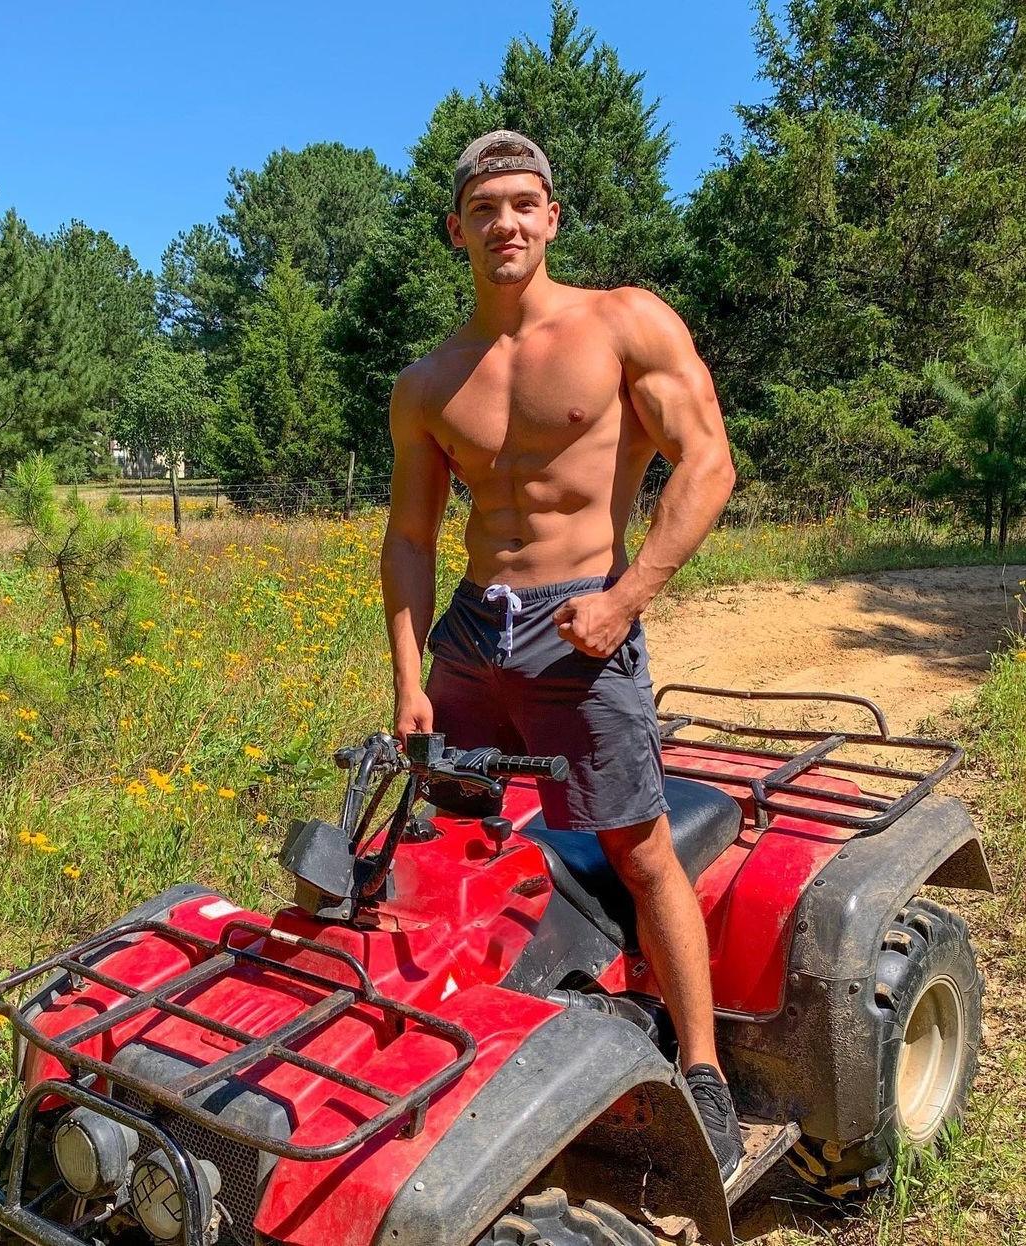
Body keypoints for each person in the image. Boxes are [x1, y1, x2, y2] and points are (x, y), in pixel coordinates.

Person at [380, 130, 742, 1179]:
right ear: (458, 228)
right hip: (468, 637)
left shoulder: (621, 323)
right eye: (485, 206)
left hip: (583, 622)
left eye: (525, 203)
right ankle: (466, 1033)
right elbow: (408, 537)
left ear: (552, 218)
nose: (506, 221)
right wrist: (410, 677)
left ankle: (705, 1070)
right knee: (443, 844)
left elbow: (708, 463)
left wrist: (628, 599)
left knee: (638, 846)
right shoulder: (429, 380)